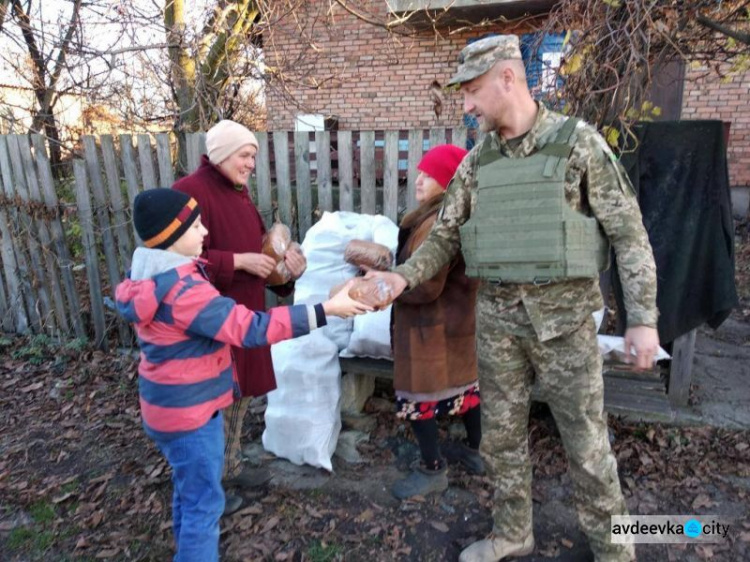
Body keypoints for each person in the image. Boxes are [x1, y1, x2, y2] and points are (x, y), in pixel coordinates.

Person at [367, 35, 659, 562]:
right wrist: (401, 278)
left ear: (508, 77)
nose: (467, 105)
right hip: (498, 326)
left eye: (473, 90)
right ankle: (512, 534)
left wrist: (642, 318)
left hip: (564, 327)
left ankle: (614, 551)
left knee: (588, 450)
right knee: (500, 444)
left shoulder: (578, 143)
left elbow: (629, 234)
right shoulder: (478, 163)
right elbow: (444, 238)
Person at [115, 188, 370, 562]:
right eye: (196, 225)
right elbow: (250, 328)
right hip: (191, 416)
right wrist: (326, 309)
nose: (205, 232)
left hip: (165, 408)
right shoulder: (183, 291)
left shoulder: (149, 277)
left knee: (190, 492)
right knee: (204, 505)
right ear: (171, 236)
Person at [172, 120, 304, 512]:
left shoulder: (240, 195)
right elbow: (174, 260)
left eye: (253, 157)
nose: (250, 164)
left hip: (246, 317)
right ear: (222, 153)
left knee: (239, 400)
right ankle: (207, 487)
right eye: (245, 155)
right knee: (215, 407)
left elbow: (262, 259)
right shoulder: (188, 192)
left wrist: (287, 271)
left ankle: (228, 467)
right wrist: (236, 261)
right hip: (210, 324)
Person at [390, 144, 483, 500]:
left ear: (447, 182)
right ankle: (477, 453)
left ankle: (432, 470)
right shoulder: (453, 214)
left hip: (430, 327)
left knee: (418, 396)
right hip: (457, 325)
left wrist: (390, 285)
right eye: (419, 172)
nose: (418, 179)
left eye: (428, 175)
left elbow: (426, 285)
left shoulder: (435, 222)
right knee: (467, 390)